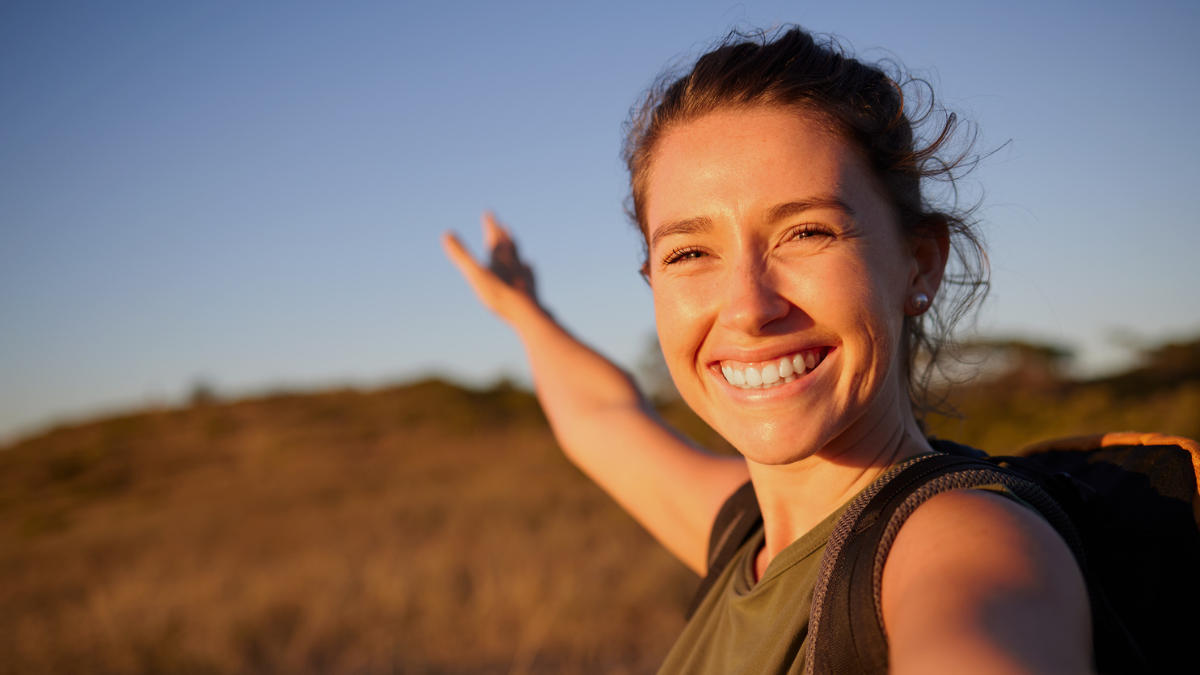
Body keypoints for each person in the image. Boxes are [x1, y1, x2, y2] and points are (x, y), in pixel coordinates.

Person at [442, 26, 1093, 675]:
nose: (750, 307)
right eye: (690, 252)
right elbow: (603, 420)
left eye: (806, 232)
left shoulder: (963, 543)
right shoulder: (748, 534)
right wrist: (525, 313)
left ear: (919, 262)